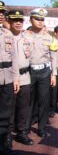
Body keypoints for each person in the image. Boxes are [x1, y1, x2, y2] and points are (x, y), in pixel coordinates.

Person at [25, 8, 58, 137]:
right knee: (28, 101)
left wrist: (54, 74)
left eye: (42, 19)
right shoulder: (24, 35)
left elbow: (54, 56)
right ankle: (25, 128)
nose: (40, 21)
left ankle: (42, 127)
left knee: (43, 101)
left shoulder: (50, 38)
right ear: (30, 20)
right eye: (37, 19)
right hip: (29, 72)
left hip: (45, 72)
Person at [6, 10, 34, 146]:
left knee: (23, 107)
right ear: (9, 21)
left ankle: (21, 132)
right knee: (9, 109)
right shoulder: (5, 36)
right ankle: (7, 136)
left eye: (20, 20)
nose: (18, 23)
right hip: (9, 78)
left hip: (25, 77)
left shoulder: (27, 38)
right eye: (15, 20)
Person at [0, 13, 20, 155]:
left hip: (7, 78)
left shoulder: (7, 33)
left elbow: (14, 57)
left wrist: (16, 78)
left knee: (5, 114)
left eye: (2, 13)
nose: (1, 16)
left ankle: (3, 145)